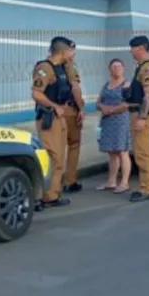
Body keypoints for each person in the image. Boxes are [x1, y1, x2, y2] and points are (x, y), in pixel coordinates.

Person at [31, 36, 78, 210]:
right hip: (48, 118)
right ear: (63, 51)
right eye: (71, 51)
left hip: (60, 117)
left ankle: (53, 195)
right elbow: (36, 93)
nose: (72, 54)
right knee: (53, 157)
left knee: (60, 158)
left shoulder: (62, 69)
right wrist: (54, 106)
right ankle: (43, 196)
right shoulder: (45, 68)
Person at [125, 35, 149, 203]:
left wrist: (142, 117)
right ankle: (147, 186)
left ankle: (148, 188)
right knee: (141, 152)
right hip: (138, 114)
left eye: (132, 49)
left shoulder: (147, 68)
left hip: (142, 115)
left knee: (143, 153)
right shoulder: (142, 67)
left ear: (140, 48)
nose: (131, 52)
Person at [95, 58, 132, 193]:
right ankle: (111, 181)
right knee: (112, 152)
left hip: (121, 120)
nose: (116, 69)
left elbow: (127, 103)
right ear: (109, 69)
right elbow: (98, 101)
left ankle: (124, 182)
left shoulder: (126, 84)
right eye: (114, 66)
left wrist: (110, 110)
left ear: (123, 69)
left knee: (122, 150)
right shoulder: (106, 85)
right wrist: (102, 107)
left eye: (119, 66)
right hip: (107, 121)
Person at [60, 41, 86, 194]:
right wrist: (81, 107)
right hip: (69, 110)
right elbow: (75, 87)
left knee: (57, 148)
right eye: (72, 51)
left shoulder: (48, 66)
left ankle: (55, 183)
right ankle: (70, 180)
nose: (74, 54)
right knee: (73, 145)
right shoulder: (70, 65)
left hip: (54, 111)